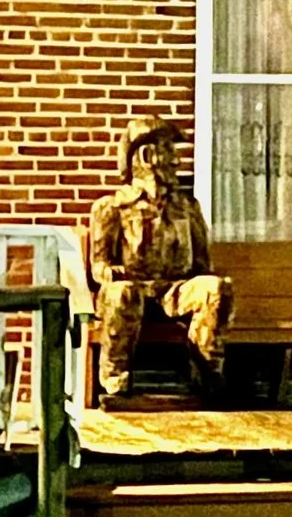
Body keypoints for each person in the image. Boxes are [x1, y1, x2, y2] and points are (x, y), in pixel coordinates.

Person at [86, 115, 233, 404]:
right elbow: (98, 265)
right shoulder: (112, 208)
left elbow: (203, 263)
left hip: (174, 291)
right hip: (132, 291)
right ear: (147, 155)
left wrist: (206, 284)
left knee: (216, 288)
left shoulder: (188, 207)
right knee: (122, 293)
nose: (176, 162)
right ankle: (115, 382)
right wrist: (110, 274)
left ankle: (205, 374)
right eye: (169, 151)